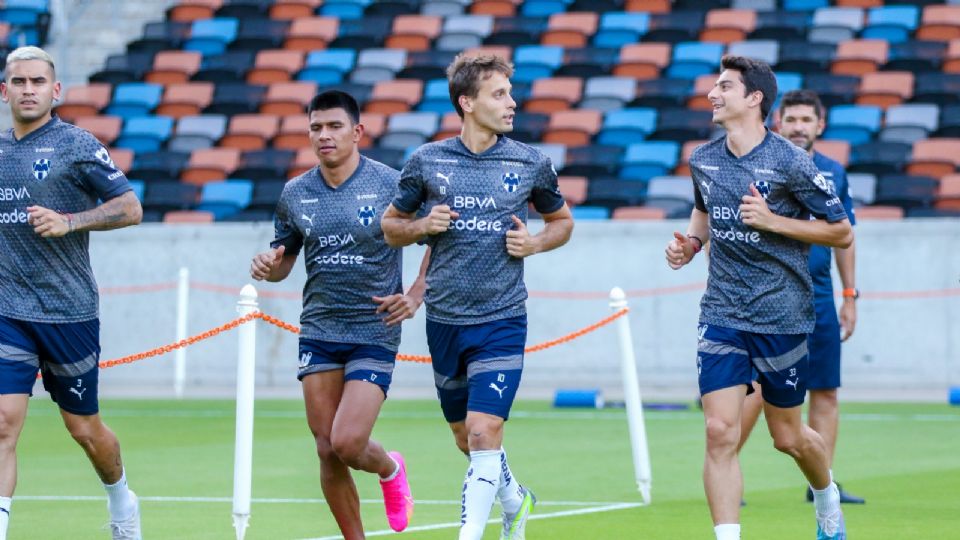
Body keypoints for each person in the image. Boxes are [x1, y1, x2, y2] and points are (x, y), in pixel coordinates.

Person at [381, 54, 574, 540]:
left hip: (503, 317)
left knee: (485, 432)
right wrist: (423, 225)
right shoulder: (427, 161)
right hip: (445, 321)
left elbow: (563, 222)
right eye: (499, 94)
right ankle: (515, 499)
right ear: (467, 103)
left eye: (510, 93)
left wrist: (535, 243)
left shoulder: (530, 161)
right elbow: (390, 227)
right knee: (467, 439)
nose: (512, 103)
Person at [664, 56, 852, 540]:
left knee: (787, 437)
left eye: (724, 86)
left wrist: (773, 221)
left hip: (783, 315)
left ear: (754, 99)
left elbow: (841, 231)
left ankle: (826, 494)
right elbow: (702, 213)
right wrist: (689, 244)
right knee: (718, 431)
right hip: (722, 313)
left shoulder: (791, 160)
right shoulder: (702, 158)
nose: (712, 94)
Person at [250, 90, 422, 538]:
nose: (324, 136)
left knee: (348, 442)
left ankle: (388, 467)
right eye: (316, 128)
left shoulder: (391, 185)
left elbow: (438, 239)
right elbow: (284, 255)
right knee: (327, 449)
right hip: (320, 328)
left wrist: (416, 294)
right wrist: (271, 265)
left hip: (374, 328)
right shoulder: (295, 192)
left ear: (357, 132)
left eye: (334, 127)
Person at [0, 47, 143, 540]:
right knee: (3, 424)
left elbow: (130, 207)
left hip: (69, 311)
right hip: (7, 310)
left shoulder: (77, 144)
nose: (28, 89)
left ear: (55, 90)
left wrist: (71, 221)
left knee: (84, 430)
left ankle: (122, 498)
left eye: (37, 81)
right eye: (18, 82)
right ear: (5, 91)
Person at [736, 89, 864, 505]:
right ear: (778, 122)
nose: (798, 127)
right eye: (791, 119)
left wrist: (849, 295)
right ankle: (726, 468)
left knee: (825, 390)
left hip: (819, 298)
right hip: (769, 298)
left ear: (819, 127)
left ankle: (821, 484)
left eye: (806, 120)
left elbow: (845, 239)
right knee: (755, 388)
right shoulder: (759, 167)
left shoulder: (833, 173)